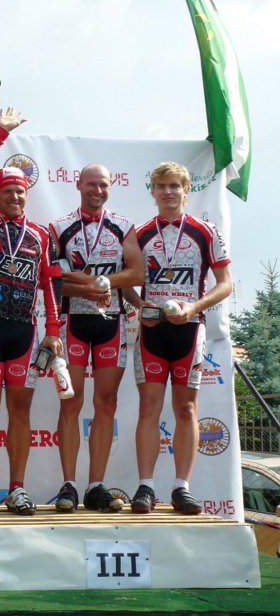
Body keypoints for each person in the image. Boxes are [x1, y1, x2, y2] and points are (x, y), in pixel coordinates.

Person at [0, 108, 63, 517]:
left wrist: (53, 329)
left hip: (25, 332)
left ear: (27, 194)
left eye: (20, 192)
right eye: (7, 191)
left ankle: (18, 489)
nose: (15, 197)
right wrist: (0, 133)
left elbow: (50, 285)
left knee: (21, 410)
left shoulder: (40, 235)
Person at [122, 161, 232, 515]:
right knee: (148, 408)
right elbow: (125, 283)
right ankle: (145, 486)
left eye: (175, 186)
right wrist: (140, 305)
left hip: (189, 329)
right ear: (152, 191)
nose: (168, 192)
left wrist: (194, 307)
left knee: (186, 409)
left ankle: (181, 488)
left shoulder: (205, 232)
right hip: (153, 332)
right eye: (162, 186)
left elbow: (225, 283)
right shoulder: (140, 234)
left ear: (187, 190)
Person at [49, 164, 144, 513]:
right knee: (70, 402)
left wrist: (103, 283)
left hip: (112, 323)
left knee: (106, 403)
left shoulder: (122, 226)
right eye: (91, 184)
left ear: (111, 187)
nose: (97, 190)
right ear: (78, 184)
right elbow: (53, 280)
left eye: (103, 185)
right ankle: (69, 485)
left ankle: (96, 485)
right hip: (72, 321)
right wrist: (87, 289)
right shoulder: (59, 227)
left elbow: (137, 272)